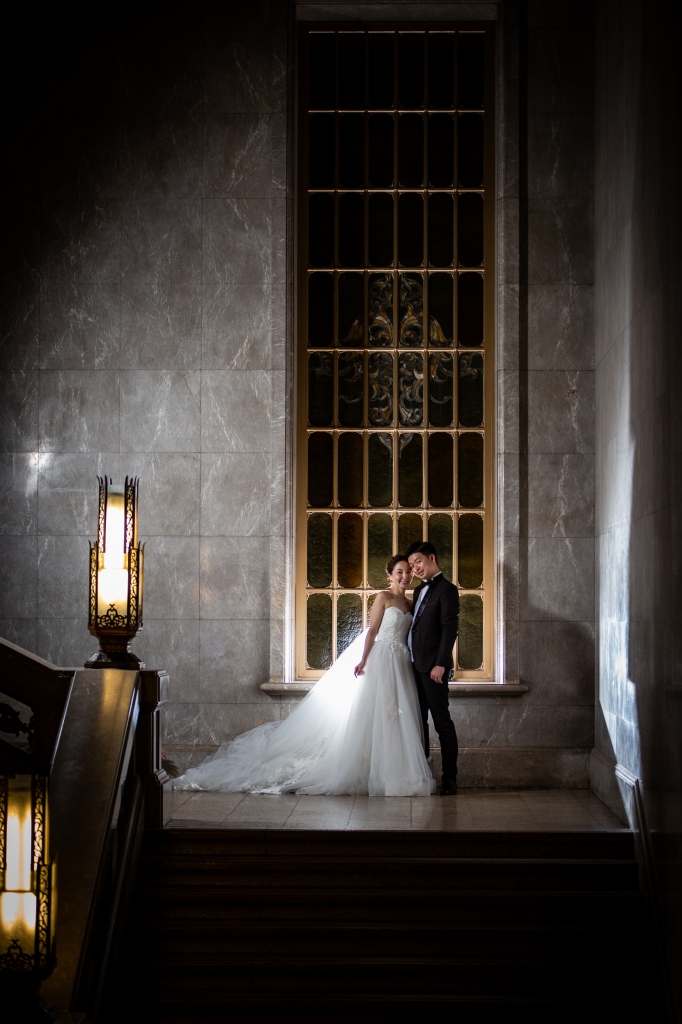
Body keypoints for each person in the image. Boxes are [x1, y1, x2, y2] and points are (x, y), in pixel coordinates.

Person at [174, 556, 435, 798]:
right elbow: (371, 632)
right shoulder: (383, 598)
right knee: (376, 715)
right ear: (389, 575)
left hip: (401, 662)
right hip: (381, 660)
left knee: (399, 717)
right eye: (399, 572)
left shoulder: (412, 603)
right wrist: (364, 659)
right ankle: (369, 772)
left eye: (408, 571)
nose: (405, 576)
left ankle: (398, 775)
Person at [405, 541, 460, 795]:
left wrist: (441, 663)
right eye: (411, 564)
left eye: (418, 562)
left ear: (431, 558)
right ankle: (423, 775)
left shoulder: (447, 589)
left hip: (433, 669)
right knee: (419, 723)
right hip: (414, 666)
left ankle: (449, 780)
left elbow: (450, 629)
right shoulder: (417, 592)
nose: (415, 568)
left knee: (442, 723)